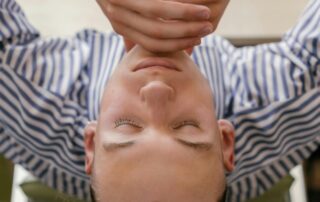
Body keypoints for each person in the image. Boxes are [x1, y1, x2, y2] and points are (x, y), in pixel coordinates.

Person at [0, 0, 319, 201]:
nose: (156, 91)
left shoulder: (35, 111)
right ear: (226, 140)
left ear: (90, 142)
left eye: (125, 125)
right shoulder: (277, 108)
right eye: (187, 126)